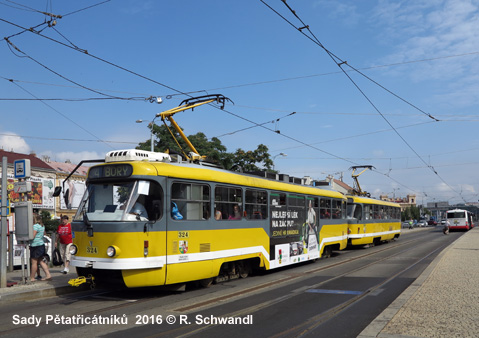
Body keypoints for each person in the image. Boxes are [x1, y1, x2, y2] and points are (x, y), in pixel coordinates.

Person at [29, 214, 52, 282]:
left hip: (35, 245)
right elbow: (43, 234)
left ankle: (32, 277)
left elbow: (32, 236)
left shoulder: (35, 226)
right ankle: (48, 275)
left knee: (34, 262)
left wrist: (27, 239)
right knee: (41, 261)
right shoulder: (42, 226)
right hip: (41, 244)